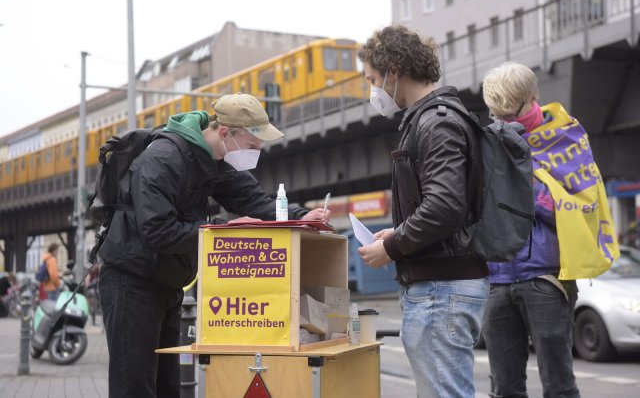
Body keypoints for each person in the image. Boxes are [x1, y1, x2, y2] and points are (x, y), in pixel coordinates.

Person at [97, 94, 329, 398]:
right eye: (252, 146)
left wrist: (302, 216)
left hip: (166, 283)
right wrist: (221, 232)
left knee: (168, 388)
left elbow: (252, 200)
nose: (256, 154)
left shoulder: (213, 161)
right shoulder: (164, 158)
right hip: (131, 281)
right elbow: (158, 230)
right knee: (135, 387)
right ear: (224, 133)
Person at [356, 25, 489, 398]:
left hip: (439, 289)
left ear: (394, 70)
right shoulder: (436, 117)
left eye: (373, 79)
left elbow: (445, 206)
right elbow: (440, 205)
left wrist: (394, 246)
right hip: (440, 285)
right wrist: (396, 234)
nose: (373, 90)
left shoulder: (437, 121)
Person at [480, 61, 585, 398]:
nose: (504, 123)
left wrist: (522, 182)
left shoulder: (565, 140)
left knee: (559, 386)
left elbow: (578, 209)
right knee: (504, 388)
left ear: (533, 98)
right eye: (497, 116)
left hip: (546, 277)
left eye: (510, 115)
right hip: (498, 279)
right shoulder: (490, 142)